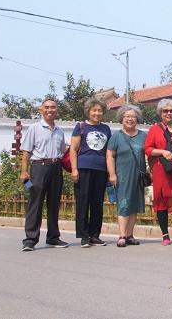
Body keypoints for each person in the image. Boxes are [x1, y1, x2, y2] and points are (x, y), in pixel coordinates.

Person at [19, 99, 69, 251]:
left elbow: (62, 151)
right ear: (41, 110)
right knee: (35, 203)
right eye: (46, 107)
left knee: (54, 203)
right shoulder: (34, 128)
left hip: (55, 167)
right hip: (39, 167)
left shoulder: (59, 131)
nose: (49, 110)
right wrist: (24, 171)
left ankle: (53, 237)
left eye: (53, 107)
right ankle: (30, 239)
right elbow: (26, 151)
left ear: (57, 110)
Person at [143, 99, 172, 245]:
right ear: (161, 113)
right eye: (165, 111)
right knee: (161, 200)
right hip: (161, 170)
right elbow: (147, 149)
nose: (168, 113)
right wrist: (162, 151)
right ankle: (165, 235)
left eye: (171, 111)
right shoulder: (154, 129)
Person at [70, 97, 112, 247]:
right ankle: (84, 235)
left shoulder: (106, 129)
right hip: (84, 168)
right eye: (94, 110)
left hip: (101, 169)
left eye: (100, 110)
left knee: (97, 203)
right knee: (83, 202)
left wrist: (110, 171)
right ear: (88, 111)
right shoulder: (81, 126)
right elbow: (73, 149)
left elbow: (109, 151)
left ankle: (95, 235)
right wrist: (74, 169)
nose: (97, 113)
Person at [107, 104, 147, 247]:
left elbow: (149, 152)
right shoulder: (116, 136)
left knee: (134, 204)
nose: (130, 119)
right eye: (127, 116)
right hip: (122, 175)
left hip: (138, 175)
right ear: (121, 119)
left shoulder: (143, 135)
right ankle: (122, 235)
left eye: (133, 116)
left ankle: (130, 235)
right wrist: (112, 174)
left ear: (137, 119)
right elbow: (110, 156)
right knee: (123, 204)